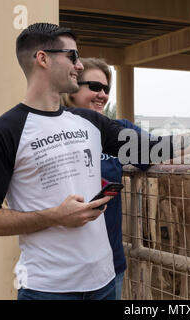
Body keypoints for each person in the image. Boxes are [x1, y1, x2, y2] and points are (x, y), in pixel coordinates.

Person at [0, 22, 190, 300]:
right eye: (72, 56)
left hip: (105, 282)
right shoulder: (2, 133)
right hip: (48, 290)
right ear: (42, 59)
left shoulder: (92, 122)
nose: (79, 65)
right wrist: (55, 216)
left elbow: (152, 149)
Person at [61, 57, 152, 299]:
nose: (102, 94)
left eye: (106, 89)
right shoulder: (51, 131)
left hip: (108, 263)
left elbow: (163, 150)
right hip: (60, 268)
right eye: (94, 86)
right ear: (71, 89)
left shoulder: (117, 130)